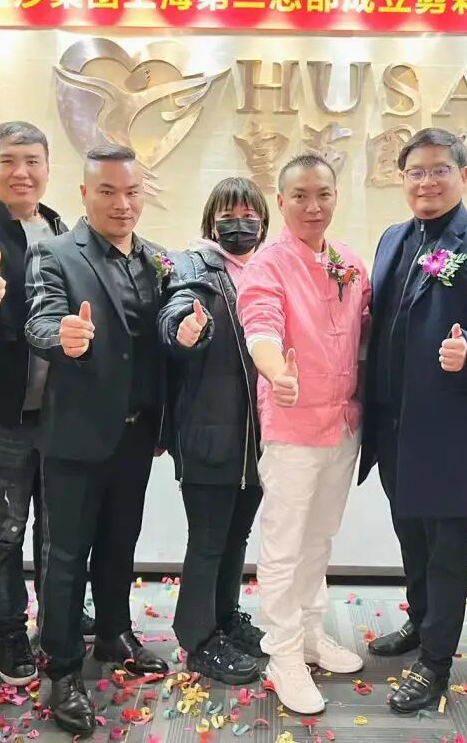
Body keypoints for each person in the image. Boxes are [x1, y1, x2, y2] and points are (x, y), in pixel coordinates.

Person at [359, 128, 467, 714]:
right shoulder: (391, 238)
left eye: (439, 170)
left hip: (448, 427)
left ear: (464, 175)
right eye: (415, 172)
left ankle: (435, 661)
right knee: (410, 535)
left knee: (446, 549)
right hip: (392, 424)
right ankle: (421, 619)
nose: (426, 182)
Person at [24, 145, 169, 737]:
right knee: (66, 556)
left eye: (131, 191)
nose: (122, 203)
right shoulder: (55, 253)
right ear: (84, 193)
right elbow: (38, 319)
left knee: (119, 543)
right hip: (77, 434)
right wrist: (62, 335)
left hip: (137, 433)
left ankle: (113, 632)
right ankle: (62, 669)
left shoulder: (156, 258)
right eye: (107, 191)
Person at [0, 121, 88, 686]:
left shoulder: (63, 228)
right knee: (6, 527)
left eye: (32, 161)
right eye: (8, 161)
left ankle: (57, 622)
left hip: (64, 411)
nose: (21, 172)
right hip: (9, 410)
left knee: (59, 528)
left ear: (49, 168)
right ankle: (8, 628)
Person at [236, 154, 370, 715]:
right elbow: (260, 326)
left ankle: (312, 631)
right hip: (293, 428)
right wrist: (276, 371)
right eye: (299, 196)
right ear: (281, 200)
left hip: (343, 424)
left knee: (320, 538)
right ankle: (283, 652)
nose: (312, 207)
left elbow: (366, 334)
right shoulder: (268, 265)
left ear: (335, 196)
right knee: (284, 546)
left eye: (323, 194)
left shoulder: (349, 263)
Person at [157, 177, 270, 685]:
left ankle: (224, 618)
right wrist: (184, 328)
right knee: (207, 540)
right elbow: (177, 309)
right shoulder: (192, 265)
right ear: (211, 221)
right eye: (228, 215)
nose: (239, 224)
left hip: (257, 438)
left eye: (249, 215)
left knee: (235, 535)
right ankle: (197, 638)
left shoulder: (267, 269)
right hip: (209, 431)